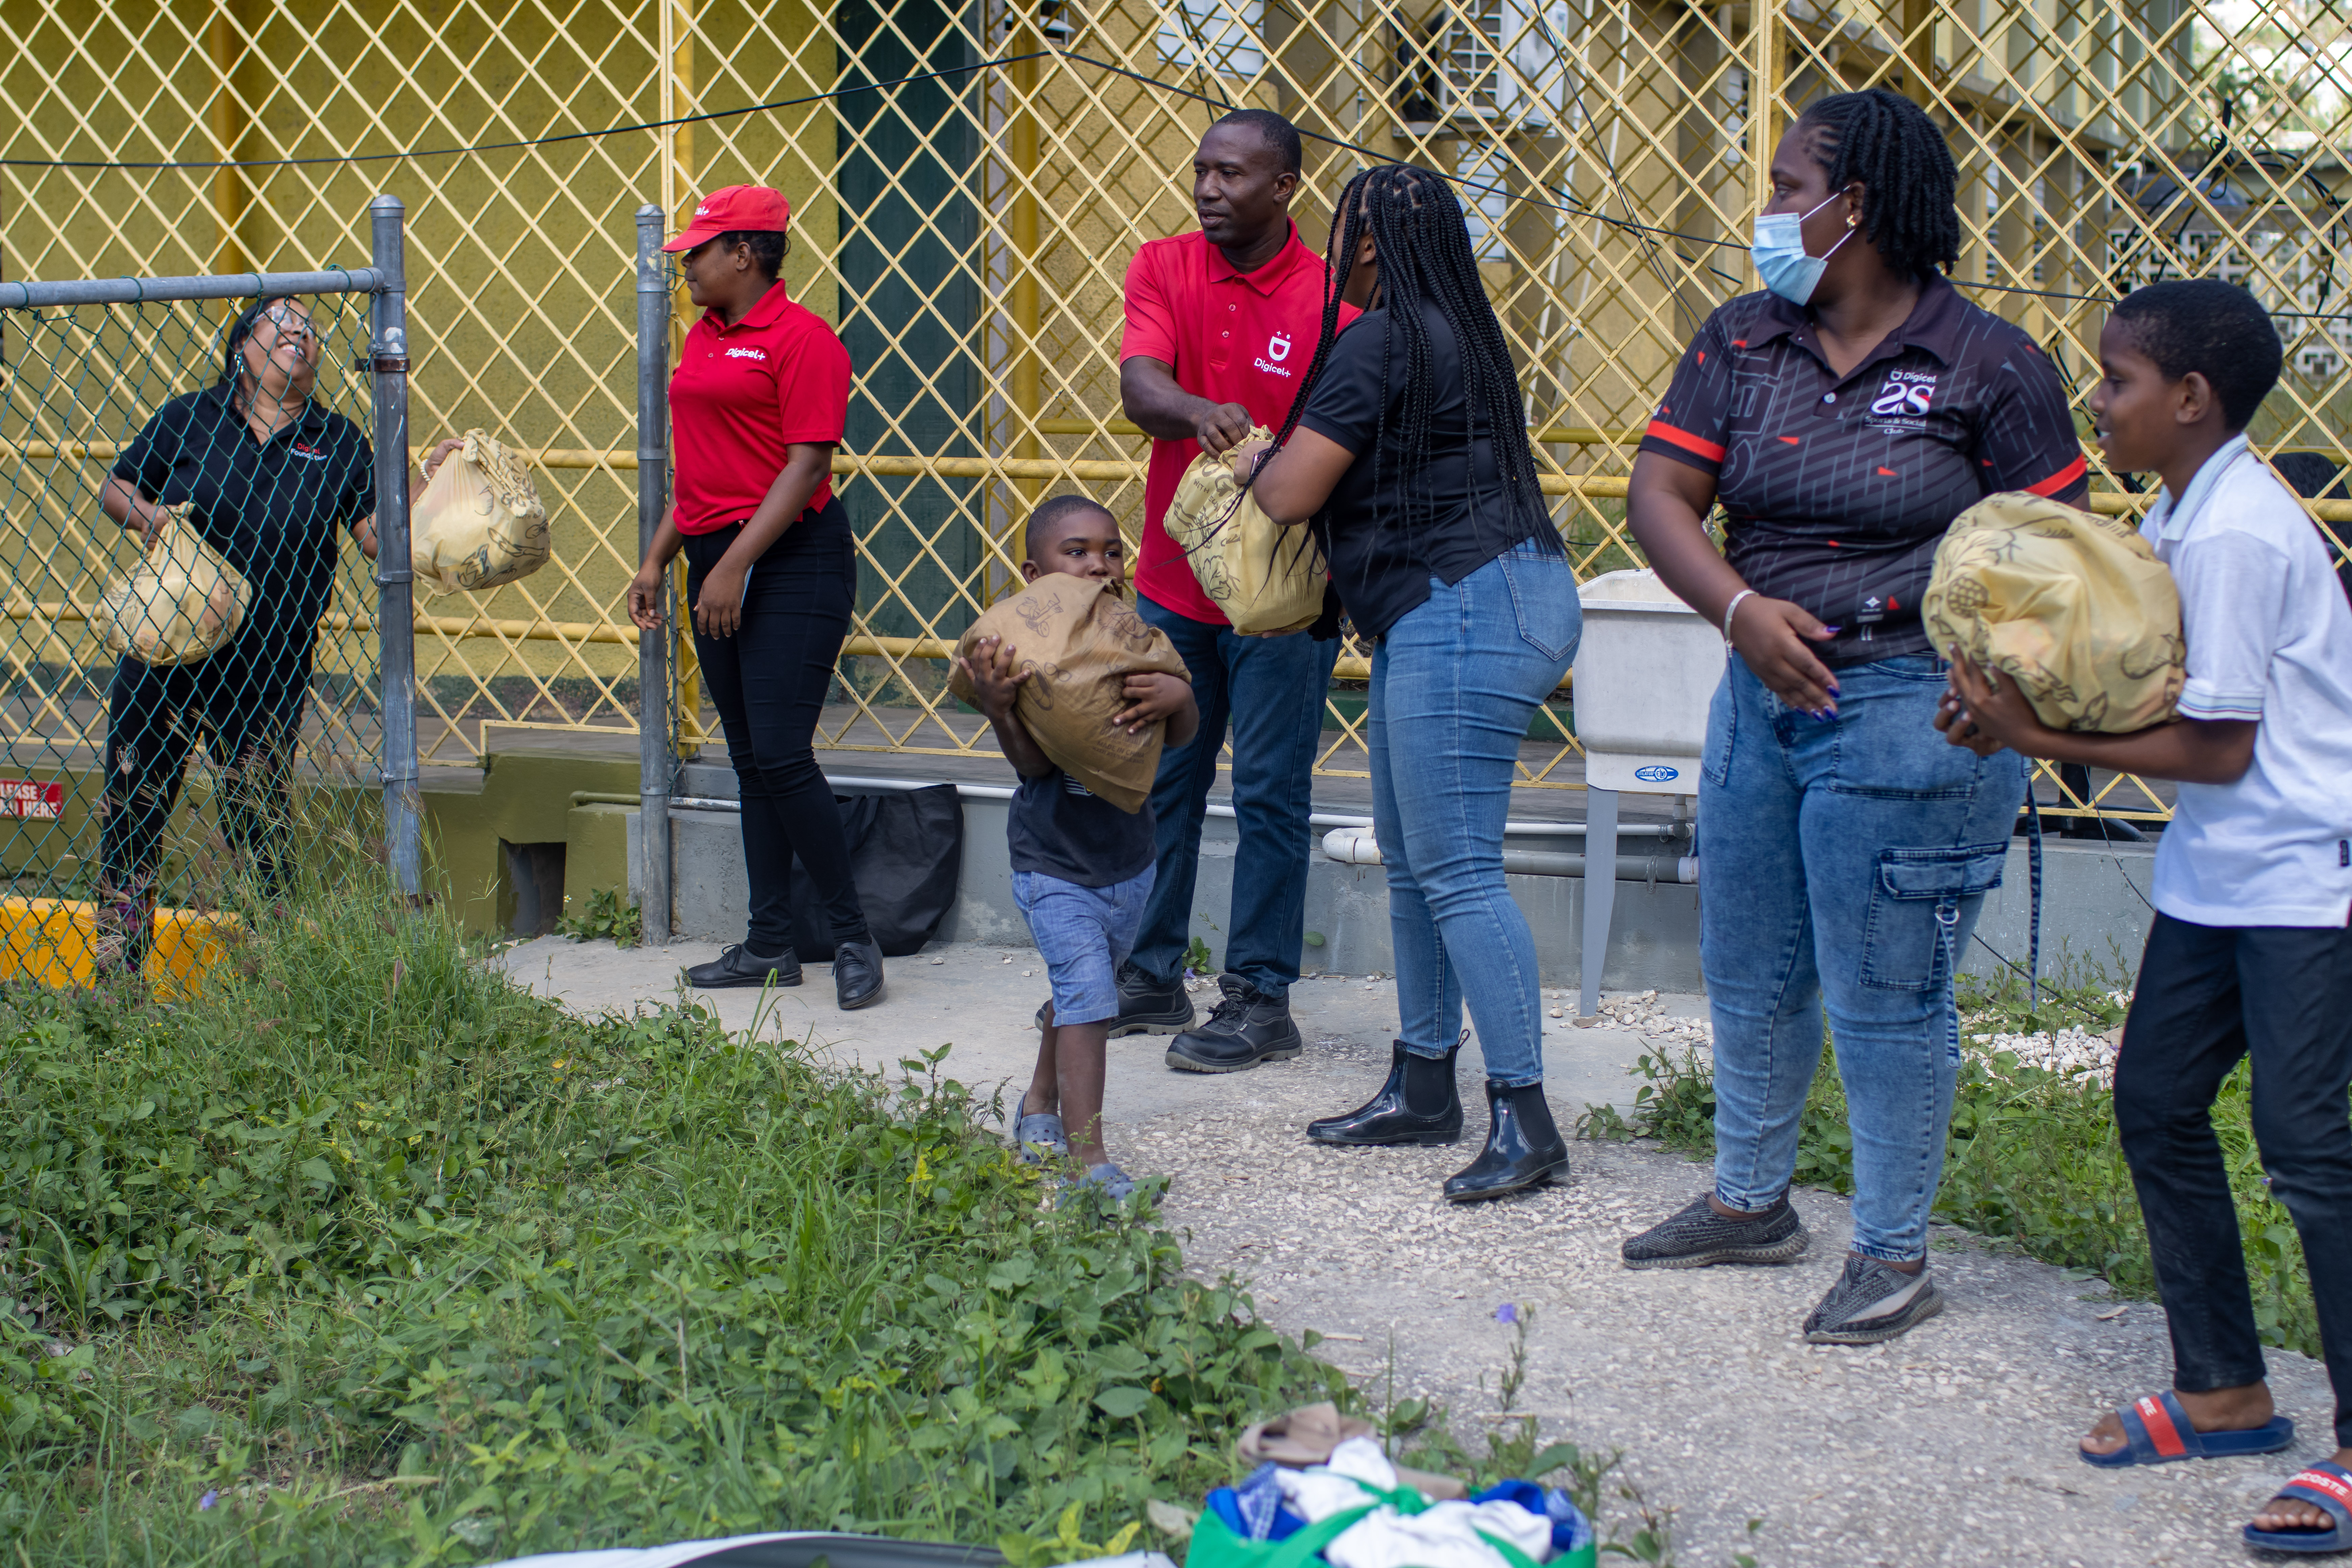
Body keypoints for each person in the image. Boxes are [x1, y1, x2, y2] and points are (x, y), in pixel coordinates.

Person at [1614, 89, 2090, 1343]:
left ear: (1856, 205)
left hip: (1910, 709)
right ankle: (1749, 1203)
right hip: (1759, 695)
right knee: (1751, 969)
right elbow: (1661, 492)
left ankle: (1891, 1251)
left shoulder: (1989, 363)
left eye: (1784, 186)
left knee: (1887, 991)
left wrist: (2000, 689)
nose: (1767, 211)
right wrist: (1735, 612)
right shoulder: (1740, 340)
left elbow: (2063, 555)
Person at [1939, 280, 2352, 1554]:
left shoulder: (2236, 532)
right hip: (2220, 879)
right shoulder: (2183, 508)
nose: (2099, 403)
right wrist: (2011, 700)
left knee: (2310, 1151)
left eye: (2116, 383)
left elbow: (2221, 749)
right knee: (2158, 1104)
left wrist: (2027, 734)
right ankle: (2224, 1387)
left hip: (2303, 879)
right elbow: (2144, 691)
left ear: (2190, 398)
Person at [1235, 163, 1583, 1202]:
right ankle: (1422, 1084)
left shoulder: (1381, 338)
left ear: (1372, 244)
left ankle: (1525, 1119)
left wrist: (1253, 459)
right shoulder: (1459, 334)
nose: (1331, 244)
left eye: (1341, 229)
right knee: (1419, 863)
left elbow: (1294, 490)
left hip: (1464, 603)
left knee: (1459, 868)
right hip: (1473, 600)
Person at [95, 295, 458, 973]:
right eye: (282, 323)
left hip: (267, 668)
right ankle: (118, 975)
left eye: (311, 330)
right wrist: (158, 525)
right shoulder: (188, 419)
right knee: (134, 808)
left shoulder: (340, 440)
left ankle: (271, 970)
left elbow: (379, 538)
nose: (301, 335)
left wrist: (426, 481)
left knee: (257, 823)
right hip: (166, 656)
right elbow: (118, 486)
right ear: (243, 347)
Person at [1117, 108, 1354, 1072]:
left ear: (1284, 186)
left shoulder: (1335, 299)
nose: (1211, 189)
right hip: (1176, 587)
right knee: (1160, 778)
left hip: (1287, 599)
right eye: (1203, 170)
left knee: (1267, 792)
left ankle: (1260, 995)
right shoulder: (1164, 264)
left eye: (1233, 175)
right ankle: (1150, 972)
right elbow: (1141, 389)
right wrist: (1197, 409)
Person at [626, 185, 884, 1010]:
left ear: (747, 253)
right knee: (748, 760)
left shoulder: (804, 339)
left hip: (793, 560)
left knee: (780, 753)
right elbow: (704, 470)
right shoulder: (703, 339)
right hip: (719, 559)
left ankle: (853, 935)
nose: (688, 267)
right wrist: (657, 562)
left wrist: (732, 564)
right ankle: (769, 941)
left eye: (700, 252)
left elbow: (807, 465)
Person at [955, 495, 1200, 1202]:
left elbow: (1181, 737)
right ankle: (1089, 1162)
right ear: (1036, 572)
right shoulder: (1022, 652)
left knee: (1077, 999)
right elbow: (1034, 768)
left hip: (1130, 865)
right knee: (1092, 1000)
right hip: (1054, 864)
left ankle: (1037, 1104)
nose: (1099, 563)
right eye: (1078, 551)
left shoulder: (1130, 637)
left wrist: (1174, 696)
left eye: (1112, 550)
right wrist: (1001, 706)